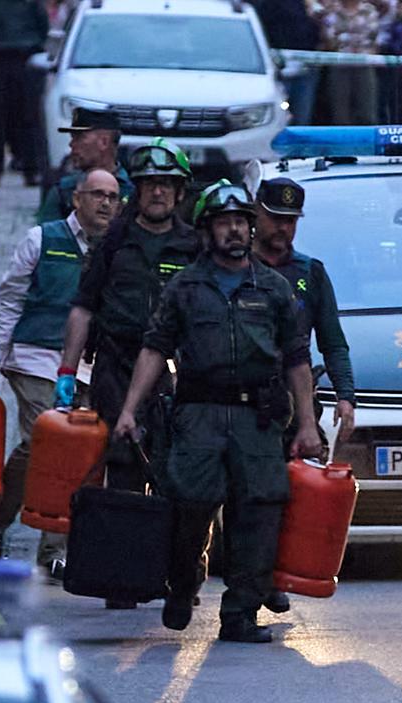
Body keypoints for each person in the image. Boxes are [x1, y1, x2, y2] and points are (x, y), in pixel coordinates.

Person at [113, 182, 323, 640]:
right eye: (224, 222)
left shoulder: (273, 288)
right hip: (199, 416)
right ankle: (182, 583)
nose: (234, 230)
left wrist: (306, 423)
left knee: (258, 513)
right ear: (207, 230)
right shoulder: (185, 287)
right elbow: (154, 349)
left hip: (258, 418)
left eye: (241, 222)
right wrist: (129, 410)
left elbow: (296, 359)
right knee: (188, 508)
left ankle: (240, 615)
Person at [59, 140, 199, 607]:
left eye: (166, 185)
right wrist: (67, 369)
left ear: (180, 193)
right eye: (149, 185)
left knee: (177, 477)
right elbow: (83, 308)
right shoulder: (114, 243)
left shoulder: (194, 246)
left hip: (177, 378)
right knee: (121, 471)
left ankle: (179, 575)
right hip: (117, 368)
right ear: (136, 191)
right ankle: (123, 580)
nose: (158, 193)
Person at [0, 169, 120, 569]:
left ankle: (45, 542)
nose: (106, 203)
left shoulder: (119, 249)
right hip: (35, 357)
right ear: (77, 199)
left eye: (113, 197)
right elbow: (10, 303)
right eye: (97, 195)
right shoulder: (42, 239)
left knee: (76, 452)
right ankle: (9, 524)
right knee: (46, 438)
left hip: (89, 365)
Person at [252, 178, 356, 448]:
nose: (283, 228)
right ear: (256, 212)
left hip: (296, 403)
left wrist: (345, 396)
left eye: (291, 221)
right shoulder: (237, 267)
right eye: (275, 218)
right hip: (245, 405)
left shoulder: (310, 273)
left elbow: (333, 342)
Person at [0, 0, 48, 187]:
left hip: (0, 59)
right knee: (22, 118)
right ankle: (28, 171)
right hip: (17, 58)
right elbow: (43, 27)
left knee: (0, 118)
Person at [37, 108, 134, 225]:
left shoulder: (134, 192)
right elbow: (46, 237)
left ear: (104, 142)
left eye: (79, 137)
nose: (71, 144)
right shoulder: (64, 191)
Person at [255, 0, 325, 125]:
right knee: (279, 113)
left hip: (306, 65)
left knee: (302, 114)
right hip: (279, 65)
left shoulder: (310, 4)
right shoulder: (268, 4)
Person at [323, 0, 382, 125]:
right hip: (339, 66)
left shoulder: (369, 11)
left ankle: (366, 142)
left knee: (367, 112)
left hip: (364, 65)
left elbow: (375, 39)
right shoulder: (332, 11)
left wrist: (346, 37)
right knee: (340, 112)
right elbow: (330, 41)